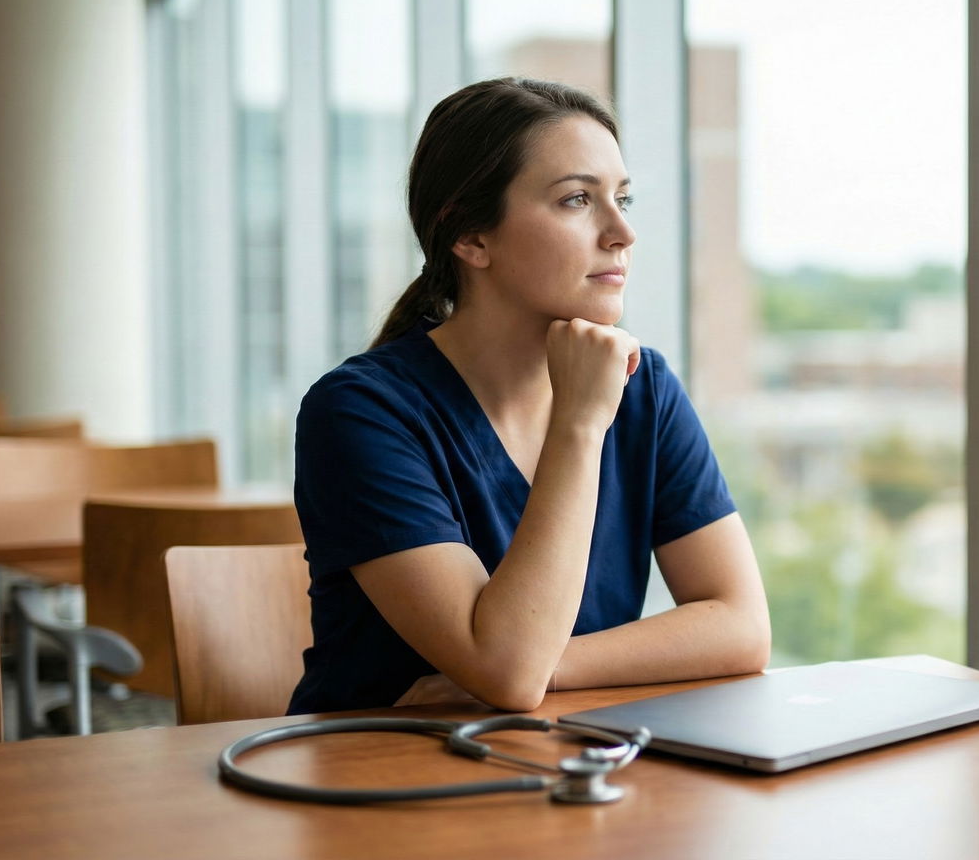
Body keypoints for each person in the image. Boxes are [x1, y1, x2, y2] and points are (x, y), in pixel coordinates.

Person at [286, 78, 771, 715]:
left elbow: (741, 627)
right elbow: (508, 671)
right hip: (380, 780)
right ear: (471, 237)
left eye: (622, 198)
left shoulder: (641, 384)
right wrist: (580, 422)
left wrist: (554, 666)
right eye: (576, 200)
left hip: (562, 762)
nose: (622, 231)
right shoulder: (359, 412)